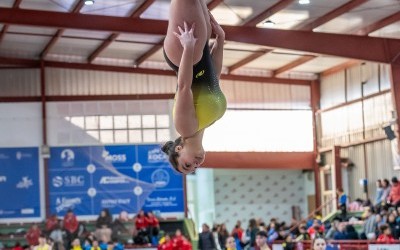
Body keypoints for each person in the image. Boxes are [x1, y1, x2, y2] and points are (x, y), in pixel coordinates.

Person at [161, 0, 227, 174]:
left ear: (178, 150)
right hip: (200, 50)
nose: (196, 164)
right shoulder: (206, 123)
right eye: (195, 168)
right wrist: (220, 41)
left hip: (185, 53)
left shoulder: (185, 128)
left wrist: (188, 49)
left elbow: (184, 87)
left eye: (187, 165)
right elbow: (214, 78)